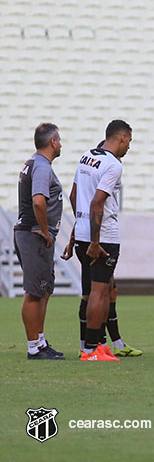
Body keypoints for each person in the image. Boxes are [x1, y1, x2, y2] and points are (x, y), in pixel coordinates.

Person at [64, 137, 141, 358]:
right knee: (99, 292)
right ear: (122, 138)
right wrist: (96, 241)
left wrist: (79, 231)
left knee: (92, 293)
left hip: (82, 234)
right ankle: (90, 350)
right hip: (102, 237)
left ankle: (95, 346)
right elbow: (97, 203)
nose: (129, 146)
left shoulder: (86, 156)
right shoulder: (113, 164)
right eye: (129, 141)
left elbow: (74, 195)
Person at [15, 123, 65, 360]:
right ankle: (34, 346)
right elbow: (38, 201)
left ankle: (40, 342)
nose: (61, 144)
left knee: (43, 290)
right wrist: (45, 231)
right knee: (35, 291)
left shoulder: (33, 163)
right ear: (53, 142)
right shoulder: (42, 167)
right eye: (60, 139)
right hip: (34, 234)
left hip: (30, 233)